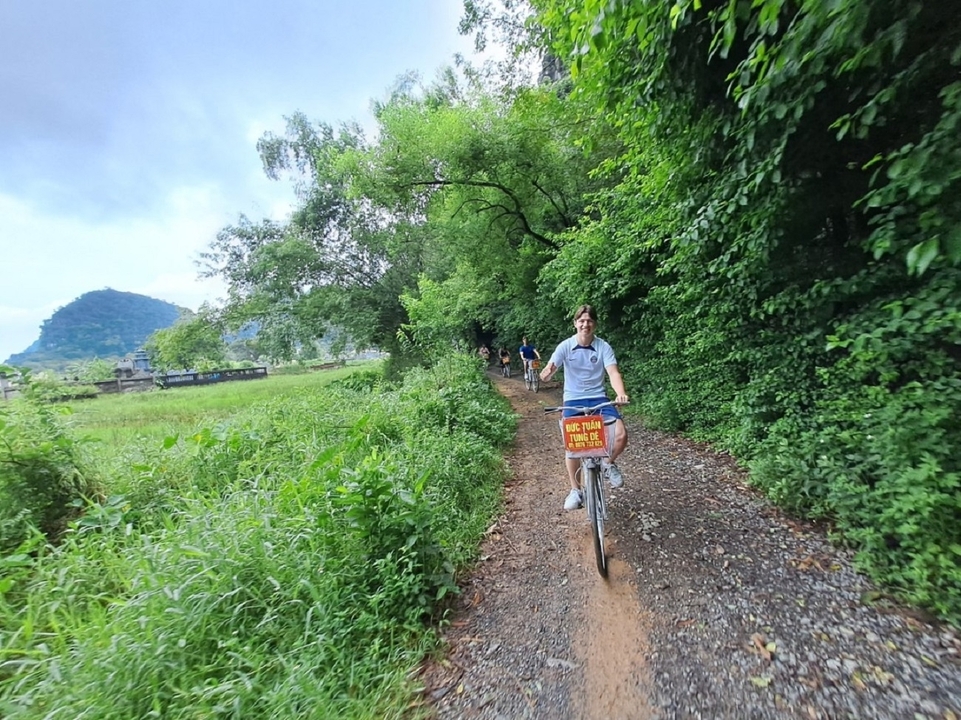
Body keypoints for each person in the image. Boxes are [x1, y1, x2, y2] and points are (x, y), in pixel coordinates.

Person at [540, 304, 629, 511]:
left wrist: (620, 393)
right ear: (575, 323)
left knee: (621, 435)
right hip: (573, 400)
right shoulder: (565, 346)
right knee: (572, 446)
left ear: (594, 324)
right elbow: (550, 367)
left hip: (599, 398)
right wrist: (546, 373)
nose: (585, 324)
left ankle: (607, 463)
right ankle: (575, 490)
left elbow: (613, 373)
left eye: (589, 321)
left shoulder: (603, 347)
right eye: (581, 320)